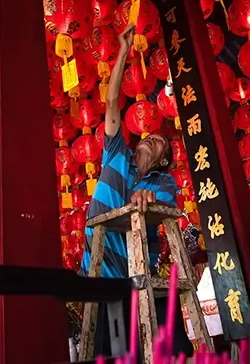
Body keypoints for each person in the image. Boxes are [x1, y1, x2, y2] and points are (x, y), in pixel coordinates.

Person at [81, 26, 193, 358]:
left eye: (158, 142)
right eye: (148, 136)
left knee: (166, 350)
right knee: (111, 352)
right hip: (100, 272)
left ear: (163, 159)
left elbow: (164, 206)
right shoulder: (116, 153)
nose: (149, 138)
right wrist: (122, 51)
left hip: (140, 274)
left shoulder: (162, 183)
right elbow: (113, 99)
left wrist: (150, 200)